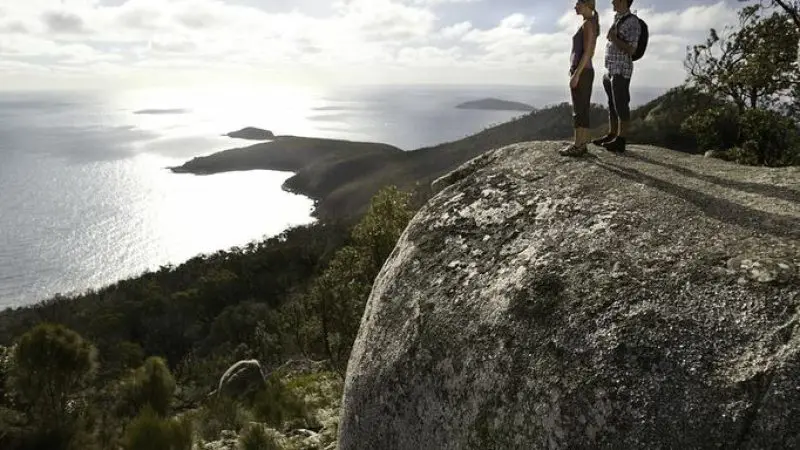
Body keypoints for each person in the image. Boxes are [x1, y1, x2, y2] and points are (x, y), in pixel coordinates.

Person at [592, 0, 641, 154]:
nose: (612, 1)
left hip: (621, 69)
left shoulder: (633, 22)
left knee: (621, 104)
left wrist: (614, 38)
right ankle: (612, 134)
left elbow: (632, 50)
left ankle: (621, 140)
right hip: (611, 69)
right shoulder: (618, 18)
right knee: (612, 104)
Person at [560, 0, 601, 156]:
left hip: (583, 72)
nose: (575, 6)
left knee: (579, 109)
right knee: (582, 108)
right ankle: (581, 144)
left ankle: (578, 145)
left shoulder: (588, 24)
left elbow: (588, 52)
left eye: (578, 3)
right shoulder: (589, 23)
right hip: (585, 71)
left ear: (587, 5)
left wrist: (576, 74)